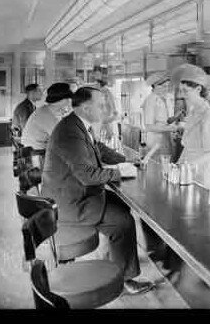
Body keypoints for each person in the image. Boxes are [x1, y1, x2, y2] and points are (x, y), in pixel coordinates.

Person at [41, 86, 154, 294]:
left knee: (120, 205)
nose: (105, 109)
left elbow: (98, 148)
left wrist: (127, 159)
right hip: (71, 204)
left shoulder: (77, 124)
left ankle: (115, 259)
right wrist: (122, 172)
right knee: (122, 221)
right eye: (100, 105)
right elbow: (87, 175)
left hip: (77, 195)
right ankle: (124, 280)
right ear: (85, 108)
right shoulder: (69, 133)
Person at [173, 64, 210, 167]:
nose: (181, 95)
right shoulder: (193, 111)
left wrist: (187, 168)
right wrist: (178, 165)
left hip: (202, 170)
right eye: (180, 91)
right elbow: (187, 148)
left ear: (198, 89)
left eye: (185, 91)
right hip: (188, 169)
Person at [21, 83, 73, 150]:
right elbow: (63, 139)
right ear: (62, 100)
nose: (70, 101)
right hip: (37, 154)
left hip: (33, 152)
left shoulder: (45, 110)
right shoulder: (47, 116)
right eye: (69, 98)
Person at [139, 72, 178, 159]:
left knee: (167, 165)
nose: (166, 89)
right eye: (164, 86)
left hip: (166, 138)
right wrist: (170, 128)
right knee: (158, 166)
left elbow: (165, 119)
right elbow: (148, 127)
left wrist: (175, 119)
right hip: (155, 141)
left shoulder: (165, 98)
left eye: (167, 86)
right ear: (155, 85)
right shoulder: (150, 100)